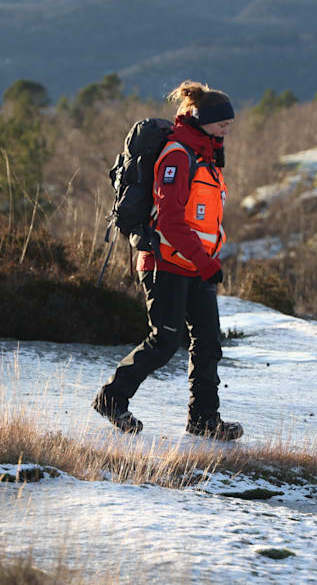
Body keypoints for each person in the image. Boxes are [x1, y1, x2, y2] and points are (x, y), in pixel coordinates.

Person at [92, 81, 243, 441]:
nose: (227, 129)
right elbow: (171, 222)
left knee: (208, 344)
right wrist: (204, 262)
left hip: (197, 265)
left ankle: (204, 419)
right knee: (165, 341)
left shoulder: (207, 157)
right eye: (222, 123)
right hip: (166, 262)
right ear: (202, 119)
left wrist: (207, 259)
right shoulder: (178, 155)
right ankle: (112, 399)